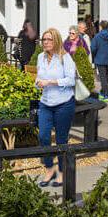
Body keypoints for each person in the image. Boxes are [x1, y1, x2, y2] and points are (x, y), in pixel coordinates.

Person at [35, 28, 77, 187]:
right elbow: (39, 76)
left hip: (63, 103)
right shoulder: (40, 57)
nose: (45, 42)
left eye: (49, 39)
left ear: (56, 41)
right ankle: (49, 168)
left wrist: (51, 82)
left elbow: (71, 81)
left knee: (61, 139)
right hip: (45, 102)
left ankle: (61, 171)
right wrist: (38, 83)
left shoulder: (65, 58)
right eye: (44, 39)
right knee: (43, 136)